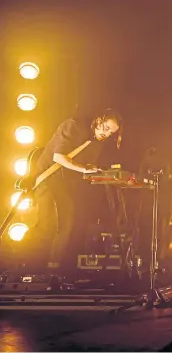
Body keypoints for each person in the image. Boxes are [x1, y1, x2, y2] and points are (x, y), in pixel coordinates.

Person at [32, 108, 123, 277]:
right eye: (106, 128)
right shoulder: (73, 126)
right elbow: (58, 157)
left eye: (112, 132)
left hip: (65, 185)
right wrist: (84, 169)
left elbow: (86, 169)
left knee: (66, 223)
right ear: (99, 120)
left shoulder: (97, 143)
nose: (108, 134)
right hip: (47, 179)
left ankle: (53, 268)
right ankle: (32, 267)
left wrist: (101, 174)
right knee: (47, 223)